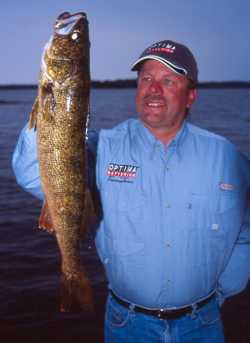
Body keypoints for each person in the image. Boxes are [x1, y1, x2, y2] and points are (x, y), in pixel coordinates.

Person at [12, 40, 250, 343]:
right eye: (146, 78)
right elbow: (31, 173)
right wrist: (52, 103)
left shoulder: (226, 156)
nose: (153, 89)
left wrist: (225, 289)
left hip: (202, 324)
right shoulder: (102, 148)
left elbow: (245, 226)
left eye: (168, 80)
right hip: (128, 325)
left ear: (190, 96)